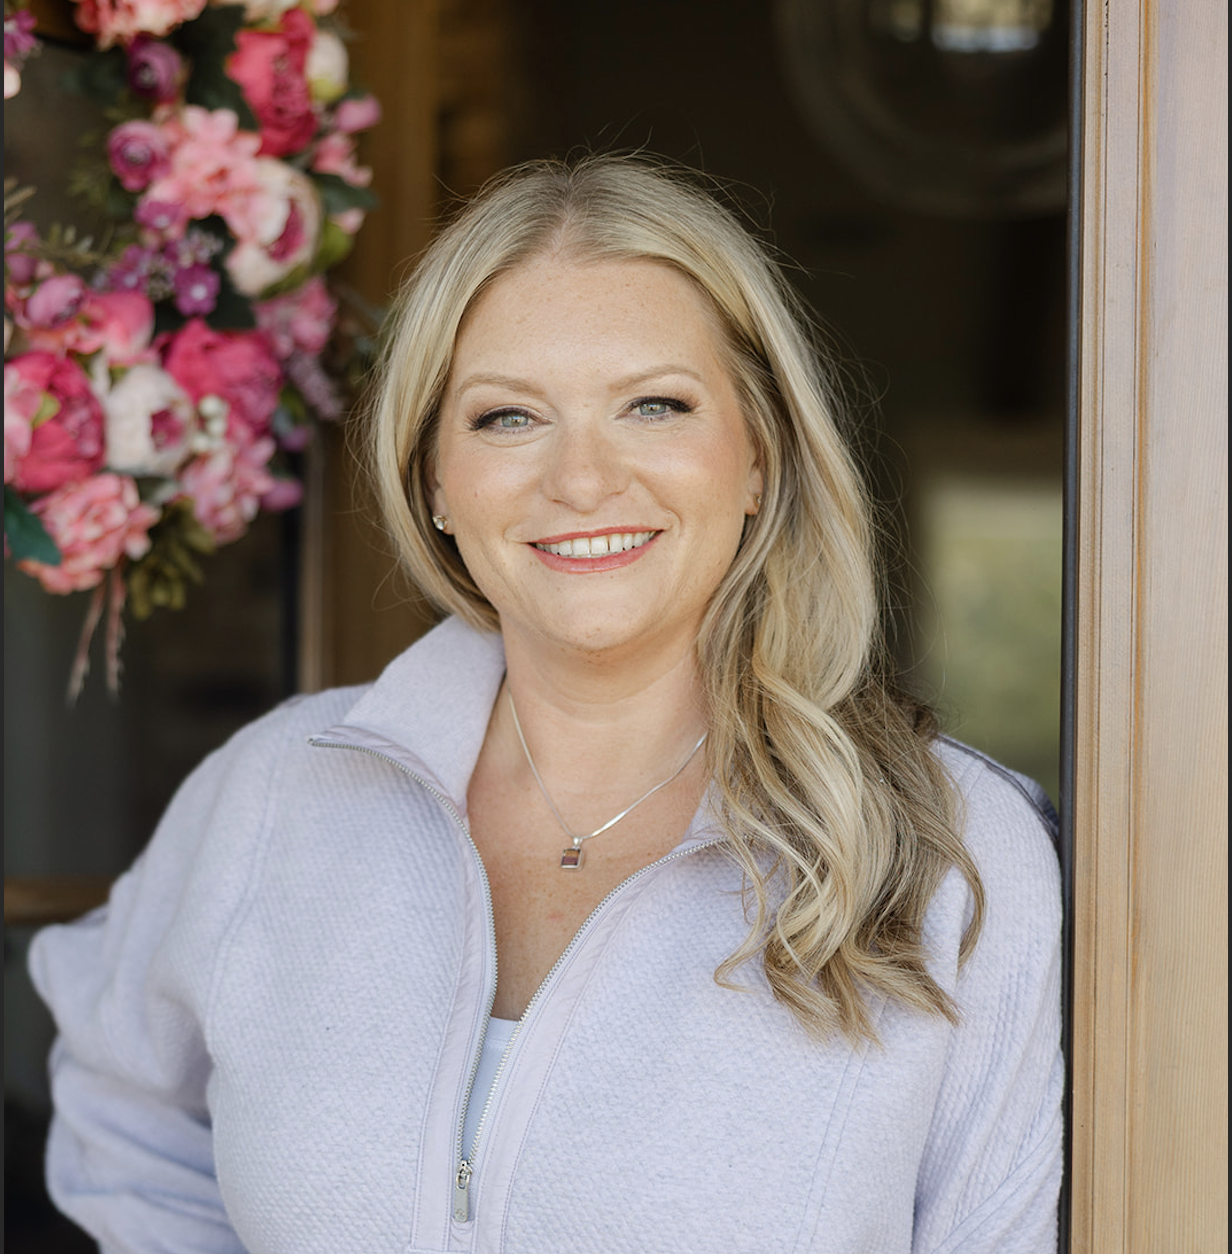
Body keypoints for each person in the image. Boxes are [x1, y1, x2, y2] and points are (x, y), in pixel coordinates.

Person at [30, 154, 1064, 1253]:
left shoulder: (953, 853)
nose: (580, 481)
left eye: (654, 405)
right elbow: (125, 1116)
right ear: (433, 477)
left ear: (756, 455)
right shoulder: (278, 788)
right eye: (507, 418)